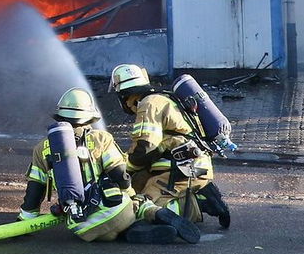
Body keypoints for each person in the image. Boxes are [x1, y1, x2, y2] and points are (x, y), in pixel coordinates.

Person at [17, 88, 200, 244]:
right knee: (137, 204)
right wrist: (132, 196)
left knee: (107, 230)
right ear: (89, 117)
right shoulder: (100, 138)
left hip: (83, 228)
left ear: (61, 115)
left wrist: (24, 222)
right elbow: (120, 175)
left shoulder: (41, 148)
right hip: (119, 212)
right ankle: (153, 214)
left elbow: (34, 191)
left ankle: (129, 233)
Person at [109, 63, 231, 228]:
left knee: (143, 210)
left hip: (181, 169)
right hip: (189, 165)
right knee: (134, 189)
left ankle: (202, 203)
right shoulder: (164, 97)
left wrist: (124, 168)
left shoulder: (148, 104)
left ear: (123, 95)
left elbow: (146, 147)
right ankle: (201, 193)